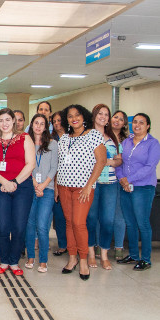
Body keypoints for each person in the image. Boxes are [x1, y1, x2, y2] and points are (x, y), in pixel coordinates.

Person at [57, 104, 106, 281]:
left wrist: (89, 185)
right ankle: (72, 259)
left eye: (77, 115)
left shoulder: (93, 135)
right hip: (63, 185)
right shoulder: (64, 138)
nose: (74, 118)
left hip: (83, 188)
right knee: (69, 223)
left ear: (84, 117)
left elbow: (101, 161)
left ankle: (83, 260)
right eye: (70, 116)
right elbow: (60, 164)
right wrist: (56, 186)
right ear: (67, 120)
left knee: (79, 223)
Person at [0, 108, 35, 276]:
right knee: (3, 226)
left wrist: (14, 182)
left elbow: (30, 164)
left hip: (22, 187)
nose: (4, 123)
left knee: (19, 226)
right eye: (1, 120)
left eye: (7, 120)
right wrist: (5, 182)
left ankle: (14, 261)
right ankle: (4, 260)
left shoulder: (25, 138)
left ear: (14, 121)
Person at [116, 113, 160, 271]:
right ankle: (134, 255)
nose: (137, 125)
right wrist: (122, 179)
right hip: (125, 187)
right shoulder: (126, 142)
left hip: (143, 187)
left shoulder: (153, 144)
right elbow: (119, 162)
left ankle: (146, 259)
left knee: (143, 223)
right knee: (130, 223)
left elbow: (150, 167)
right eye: (135, 122)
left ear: (148, 125)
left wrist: (129, 179)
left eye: (141, 122)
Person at [86, 104, 122, 270]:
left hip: (110, 184)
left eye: (106, 114)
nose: (103, 117)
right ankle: (91, 253)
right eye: (100, 113)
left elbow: (119, 160)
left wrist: (109, 162)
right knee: (91, 219)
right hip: (91, 184)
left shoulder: (112, 137)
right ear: (94, 115)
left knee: (108, 220)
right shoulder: (87, 135)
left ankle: (105, 255)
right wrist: (103, 161)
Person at [25, 114, 58, 273]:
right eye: (36, 123)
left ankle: (43, 260)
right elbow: (25, 165)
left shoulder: (53, 144)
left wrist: (43, 186)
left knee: (42, 226)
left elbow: (54, 167)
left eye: (42, 124)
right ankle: (30, 257)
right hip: (30, 188)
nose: (38, 126)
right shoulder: (26, 143)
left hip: (48, 189)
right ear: (31, 125)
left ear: (46, 127)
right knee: (30, 224)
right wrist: (35, 184)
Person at [111, 110, 129, 260]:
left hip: (121, 181)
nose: (117, 120)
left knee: (119, 215)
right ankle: (98, 246)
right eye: (115, 117)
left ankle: (118, 247)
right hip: (103, 180)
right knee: (100, 215)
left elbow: (125, 162)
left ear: (124, 124)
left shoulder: (127, 140)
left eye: (121, 119)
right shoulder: (101, 136)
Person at [51, 111, 67, 256]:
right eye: (54, 121)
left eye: (59, 120)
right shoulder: (51, 140)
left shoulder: (73, 137)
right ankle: (63, 244)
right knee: (60, 216)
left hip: (72, 182)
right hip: (55, 182)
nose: (56, 124)